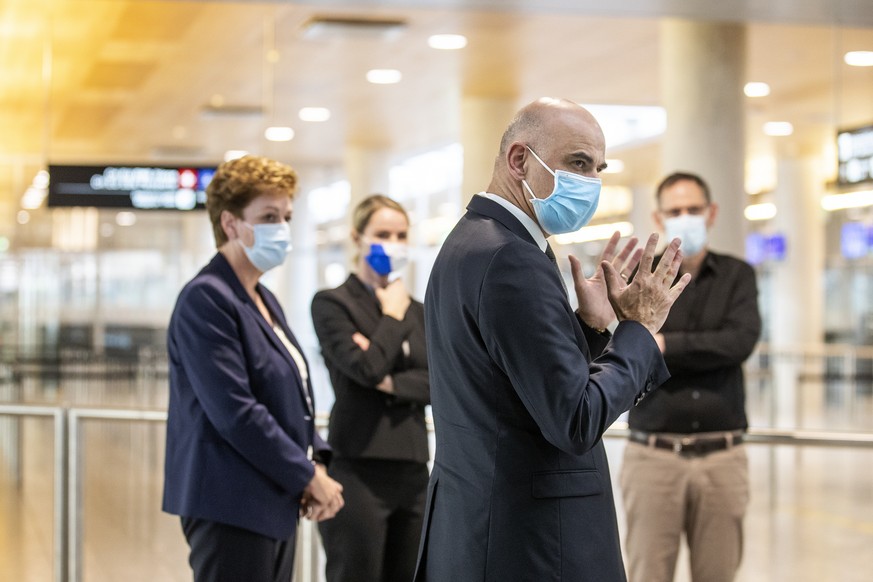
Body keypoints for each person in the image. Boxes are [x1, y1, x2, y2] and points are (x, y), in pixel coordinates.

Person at [414, 97, 691, 581]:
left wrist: (590, 329)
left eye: (598, 169)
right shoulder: (510, 259)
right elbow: (575, 420)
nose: (590, 183)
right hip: (531, 546)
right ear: (520, 159)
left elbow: (517, 386)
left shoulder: (473, 241)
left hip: (485, 529)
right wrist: (638, 331)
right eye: (577, 163)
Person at [163, 155, 344, 582]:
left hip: (271, 498)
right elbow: (236, 411)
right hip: (231, 502)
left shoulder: (261, 298)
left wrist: (314, 460)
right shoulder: (207, 299)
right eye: (268, 216)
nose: (281, 228)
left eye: (285, 216)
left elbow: (288, 395)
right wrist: (304, 474)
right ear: (230, 224)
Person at [620, 172, 762, 582]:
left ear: (711, 212)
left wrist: (665, 346)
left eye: (694, 209)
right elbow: (633, 349)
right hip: (653, 456)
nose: (686, 217)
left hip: (722, 457)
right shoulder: (640, 280)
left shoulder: (738, 275)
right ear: (659, 218)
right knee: (648, 572)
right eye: (676, 211)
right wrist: (678, 346)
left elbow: (739, 342)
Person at [311, 195, 430, 582]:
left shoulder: (420, 311)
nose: (393, 243)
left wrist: (385, 380)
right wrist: (392, 318)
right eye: (382, 234)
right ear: (357, 238)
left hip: (413, 471)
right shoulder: (333, 304)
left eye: (401, 234)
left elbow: (438, 384)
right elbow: (364, 367)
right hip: (357, 468)